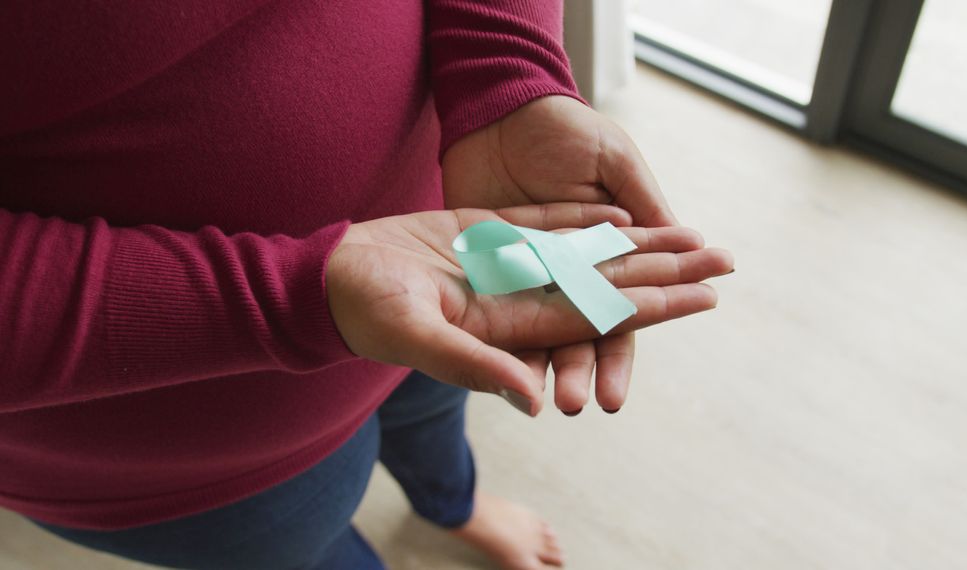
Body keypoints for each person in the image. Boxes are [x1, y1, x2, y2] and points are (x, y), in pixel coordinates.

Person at [0, 1, 733, 568]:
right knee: (313, 549)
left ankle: (453, 504)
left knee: (435, 421)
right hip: (191, 439)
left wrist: (507, 65)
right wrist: (298, 293)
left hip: (461, 256)